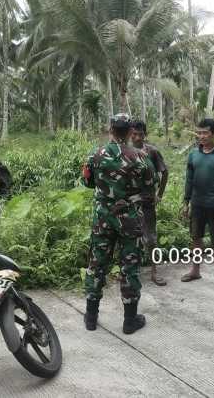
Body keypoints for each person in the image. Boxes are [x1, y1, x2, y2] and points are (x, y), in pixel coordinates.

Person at [81, 113, 154, 334]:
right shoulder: (141, 158)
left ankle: (91, 317)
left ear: (110, 130)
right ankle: (129, 321)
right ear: (131, 131)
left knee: (97, 264)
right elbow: (149, 191)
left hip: (102, 218)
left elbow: (87, 182)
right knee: (129, 267)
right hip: (129, 219)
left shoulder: (95, 155)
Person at [181, 118, 214, 288]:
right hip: (197, 204)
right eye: (199, 133)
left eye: (205, 133)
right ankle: (195, 270)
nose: (201, 136)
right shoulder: (193, 155)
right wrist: (186, 202)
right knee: (196, 238)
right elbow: (189, 179)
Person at [131, 120, 169, 286]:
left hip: (147, 202)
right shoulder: (125, 151)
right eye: (134, 134)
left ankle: (154, 272)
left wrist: (159, 194)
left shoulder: (152, 151)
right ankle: (130, 272)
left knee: (151, 238)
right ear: (129, 134)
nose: (137, 137)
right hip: (130, 203)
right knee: (130, 238)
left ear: (145, 135)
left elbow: (165, 171)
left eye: (141, 134)